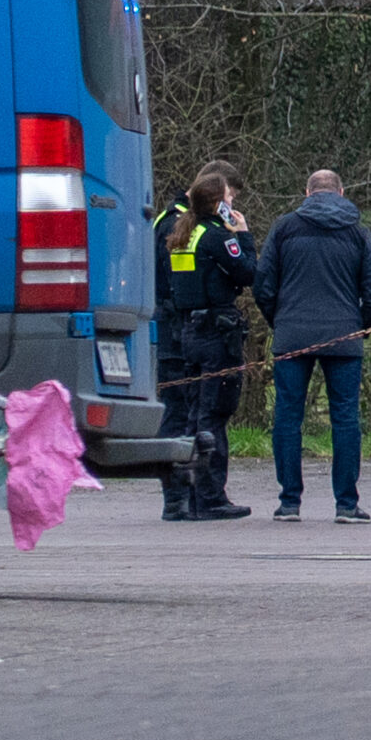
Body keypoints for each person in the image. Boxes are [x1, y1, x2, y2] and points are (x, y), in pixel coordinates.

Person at [254, 169, 371, 522]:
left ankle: (289, 502)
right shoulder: (358, 233)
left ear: (307, 192)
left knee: (287, 417)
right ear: (341, 192)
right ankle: (346, 503)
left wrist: (280, 321)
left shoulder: (284, 228)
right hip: (343, 336)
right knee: (345, 418)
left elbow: (263, 285)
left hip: (292, 336)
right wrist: (359, 325)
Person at [152, 159, 245, 521]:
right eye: (229, 197)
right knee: (185, 414)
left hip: (180, 328)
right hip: (183, 329)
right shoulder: (178, 226)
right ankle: (183, 495)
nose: (230, 205)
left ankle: (186, 495)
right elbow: (179, 281)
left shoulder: (174, 222)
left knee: (187, 413)